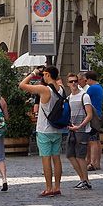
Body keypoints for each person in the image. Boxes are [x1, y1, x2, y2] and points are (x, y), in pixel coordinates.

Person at [20, 66, 66, 197]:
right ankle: (57, 186)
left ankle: (48, 188)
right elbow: (59, 80)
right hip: (56, 128)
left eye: (44, 74)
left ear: (47, 75)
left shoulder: (44, 89)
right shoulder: (61, 89)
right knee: (56, 158)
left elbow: (22, 85)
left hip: (44, 129)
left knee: (46, 159)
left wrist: (34, 73)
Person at [64, 73, 94, 190]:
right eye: (71, 82)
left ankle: (85, 180)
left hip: (83, 130)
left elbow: (89, 115)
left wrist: (80, 126)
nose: (74, 83)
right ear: (68, 84)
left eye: (75, 81)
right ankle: (83, 179)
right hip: (72, 130)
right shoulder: (69, 98)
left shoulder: (84, 96)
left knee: (80, 156)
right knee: (70, 155)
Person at [84, 70, 103, 170]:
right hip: (99, 114)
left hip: (93, 116)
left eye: (86, 80)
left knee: (92, 140)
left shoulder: (91, 89)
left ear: (89, 79)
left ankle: (92, 163)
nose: (85, 82)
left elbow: (84, 99)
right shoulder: (99, 87)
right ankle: (97, 163)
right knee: (97, 140)